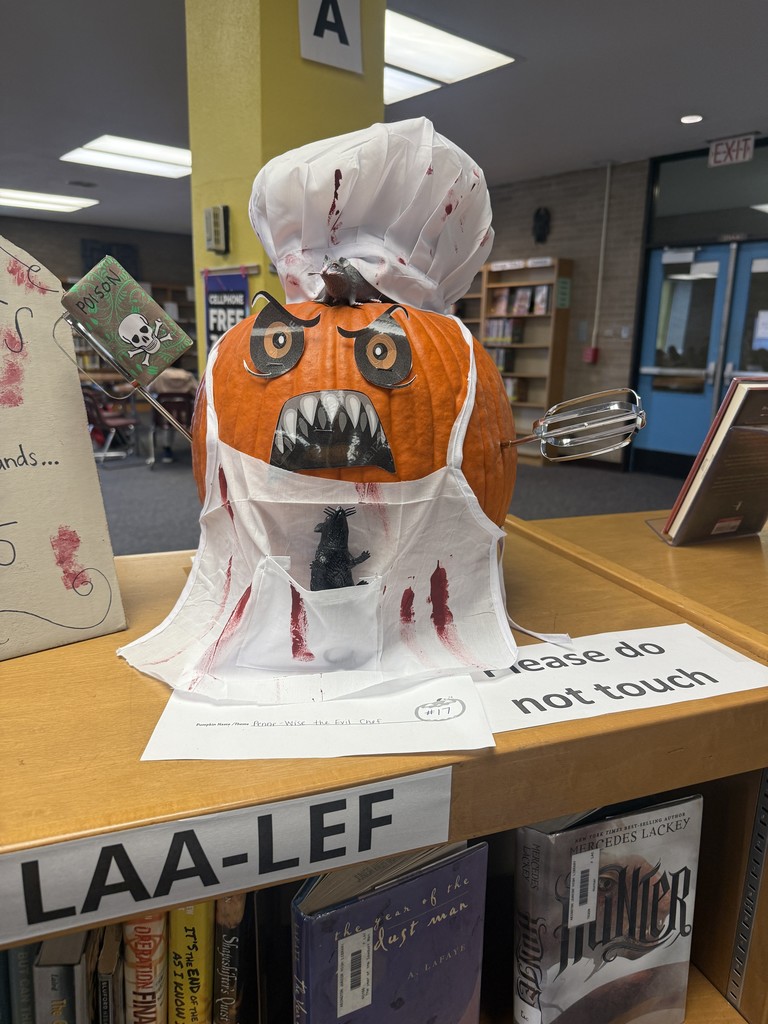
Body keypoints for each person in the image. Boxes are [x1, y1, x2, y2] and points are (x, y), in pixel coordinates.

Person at [148, 365, 199, 463]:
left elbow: (149, 390)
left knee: (167, 418)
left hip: (164, 417)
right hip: (185, 416)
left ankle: (167, 450)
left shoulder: (160, 376)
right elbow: (197, 392)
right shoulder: (188, 376)